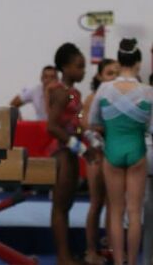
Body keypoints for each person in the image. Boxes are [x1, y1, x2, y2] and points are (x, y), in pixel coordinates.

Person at [89, 40, 153, 265]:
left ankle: (118, 261)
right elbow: (151, 128)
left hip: (113, 150)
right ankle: (133, 262)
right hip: (136, 149)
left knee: (116, 211)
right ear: (138, 62)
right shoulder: (148, 91)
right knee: (135, 213)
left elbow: (92, 121)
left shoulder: (105, 89)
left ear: (119, 60)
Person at [47, 42, 89, 265]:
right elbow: (51, 126)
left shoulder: (74, 93)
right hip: (62, 153)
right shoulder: (61, 93)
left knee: (66, 206)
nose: (82, 71)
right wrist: (79, 146)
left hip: (71, 151)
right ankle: (63, 257)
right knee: (60, 207)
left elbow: (77, 122)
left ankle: (66, 255)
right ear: (65, 67)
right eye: (79, 67)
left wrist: (87, 137)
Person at [82, 58, 119, 265]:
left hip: (114, 154)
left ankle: (111, 248)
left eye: (116, 73)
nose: (114, 77)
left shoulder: (123, 98)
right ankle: (90, 251)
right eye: (109, 73)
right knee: (96, 203)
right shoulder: (92, 98)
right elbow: (87, 127)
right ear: (99, 76)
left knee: (113, 205)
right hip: (97, 155)